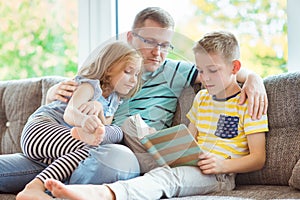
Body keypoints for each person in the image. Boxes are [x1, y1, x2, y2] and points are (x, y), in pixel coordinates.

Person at [0, 7, 267, 194]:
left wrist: (254, 79)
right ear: (130, 37)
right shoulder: (113, 67)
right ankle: (49, 185)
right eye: (150, 41)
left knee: (117, 157)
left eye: (165, 45)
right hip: (72, 147)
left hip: (121, 151)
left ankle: (60, 189)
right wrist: (52, 93)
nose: (157, 52)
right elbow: (77, 98)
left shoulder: (177, 71)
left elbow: (220, 71)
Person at [15, 41, 142, 200]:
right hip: (40, 129)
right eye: (128, 72)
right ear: (108, 68)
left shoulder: (114, 99)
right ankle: (33, 187)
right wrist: (83, 120)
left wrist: (98, 110)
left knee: (113, 134)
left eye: (136, 74)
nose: (134, 80)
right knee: (96, 144)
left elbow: (104, 129)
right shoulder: (90, 86)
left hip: (58, 145)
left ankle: (45, 189)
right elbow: (71, 113)